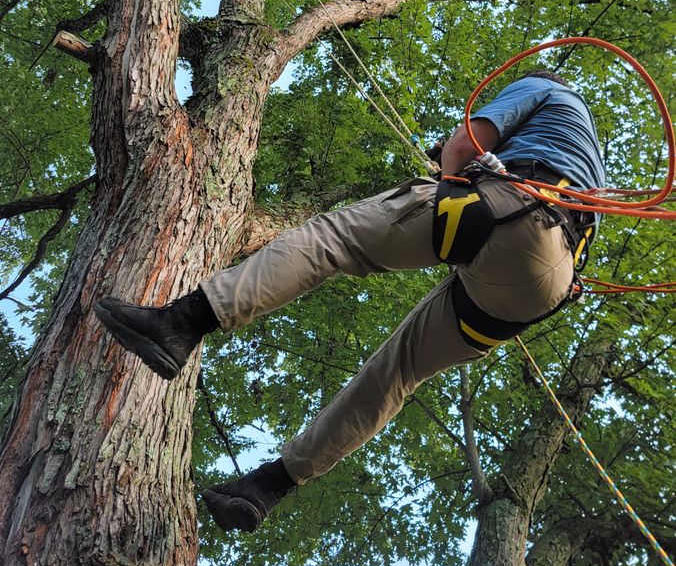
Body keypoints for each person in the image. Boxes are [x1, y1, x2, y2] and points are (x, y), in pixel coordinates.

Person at [95, 68, 605, 533]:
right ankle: (269, 486)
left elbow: (466, 146)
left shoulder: (547, 88)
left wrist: (448, 177)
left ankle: (182, 322)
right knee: (397, 371)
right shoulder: (591, 162)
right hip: (547, 286)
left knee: (334, 240)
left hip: (512, 211)